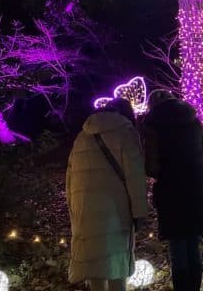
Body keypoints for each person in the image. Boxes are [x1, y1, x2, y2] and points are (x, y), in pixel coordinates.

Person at [66, 98, 147, 291]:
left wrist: (74, 212)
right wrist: (139, 212)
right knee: (116, 264)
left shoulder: (81, 136)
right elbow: (135, 176)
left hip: (84, 209)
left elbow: (70, 179)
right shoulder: (126, 133)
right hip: (115, 211)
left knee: (95, 264)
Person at [142, 89, 203, 291]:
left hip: (171, 192)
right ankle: (195, 286)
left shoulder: (152, 125)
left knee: (177, 245)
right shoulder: (193, 120)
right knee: (193, 241)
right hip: (196, 189)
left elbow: (151, 168)